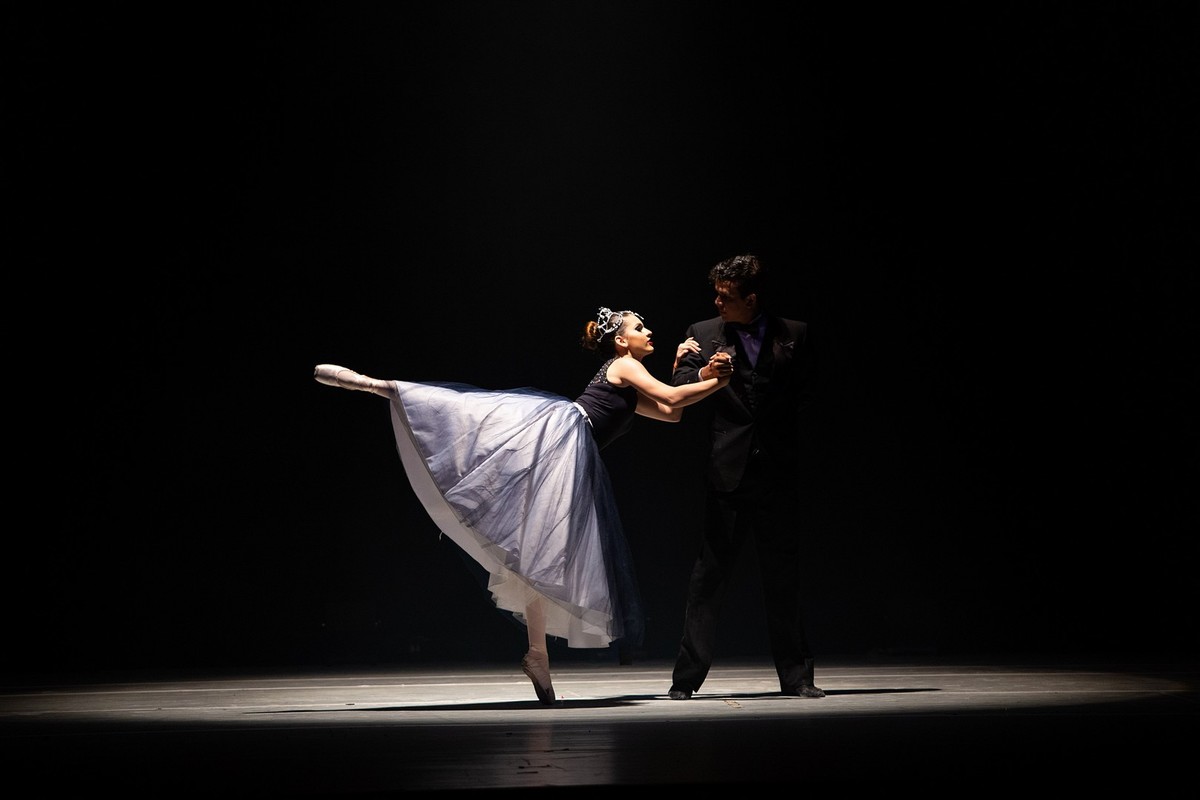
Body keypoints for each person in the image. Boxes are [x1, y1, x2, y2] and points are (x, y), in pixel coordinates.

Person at [314, 307, 732, 706]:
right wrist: (713, 377)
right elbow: (674, 396)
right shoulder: (625, 366)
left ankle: (537, 654)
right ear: (621, 341)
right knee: (473, 418)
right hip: (560, 441)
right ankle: (379, 385)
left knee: (540, 552)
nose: (648, 332)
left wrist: (696, 373)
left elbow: (671, 412)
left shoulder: (628, 381)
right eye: (639, 328)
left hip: (568, 451)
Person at [666, 253, 824, 700]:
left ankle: (797, 678)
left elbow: (808, 390)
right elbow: (678, 384)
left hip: (777, 471)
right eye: (716, 294)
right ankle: (685, 680)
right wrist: (704, 372)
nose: (718, 303)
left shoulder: (794, 334)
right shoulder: (702, 333)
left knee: (783, 578)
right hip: (728, 471)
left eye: (727, 297)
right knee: (708, 579)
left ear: (751, 299)